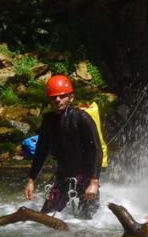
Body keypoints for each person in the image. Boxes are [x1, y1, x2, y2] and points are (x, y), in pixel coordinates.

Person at [24, 75, 103, 219]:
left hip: (86, 177)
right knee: (44, 217)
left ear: (71, 97)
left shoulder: (82, 118)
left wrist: (94, 182)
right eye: (54, 98)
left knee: (89, 222)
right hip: (63, 176)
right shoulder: (48, 121)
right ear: (49, 100)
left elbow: (96, 149)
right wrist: (31, 180)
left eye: (62, 96)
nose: (58, 100)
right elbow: (41, 151)